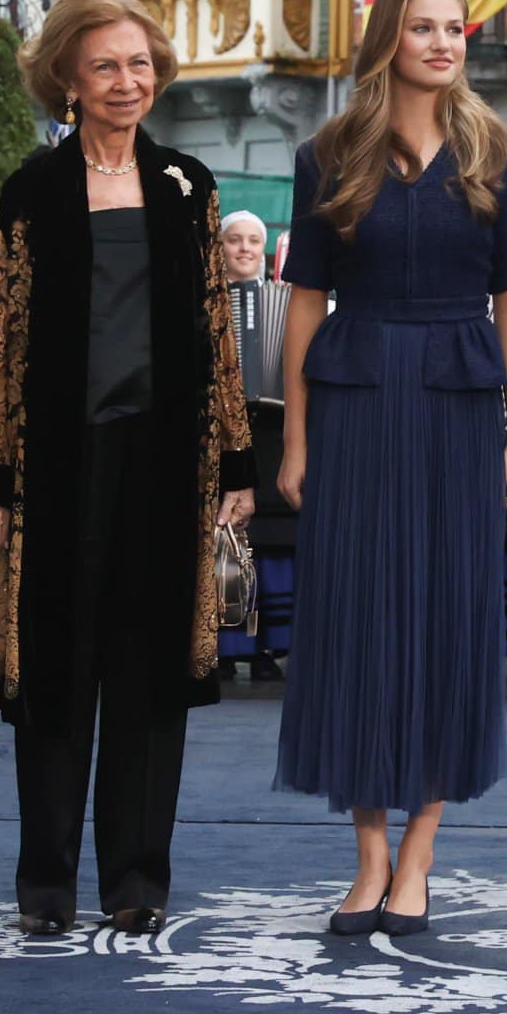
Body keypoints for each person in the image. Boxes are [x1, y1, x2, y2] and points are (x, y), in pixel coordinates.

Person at [0, 0, 257, 937]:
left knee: (148, 672)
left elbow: (216, 332)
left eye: (140, 64)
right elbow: (0, 335)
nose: (128, 82)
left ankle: (137, 880)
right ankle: (46, 885)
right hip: (56, 463)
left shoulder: (187, 185)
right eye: (105, 67)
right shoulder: (33, 190)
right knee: (55, 669)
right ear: (68, 82)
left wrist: (236, 464)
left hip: (165, 463)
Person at [274, 0, 507, 936]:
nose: (442, 43)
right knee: (355, 620)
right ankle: (369, 857)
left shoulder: (496, 153)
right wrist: (294, 435)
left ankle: (420, 853)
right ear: (388, 38)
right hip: (354, 400)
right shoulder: (326, 154)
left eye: (454, 28)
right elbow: (305, 301)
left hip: (459, 406)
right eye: (423, 27)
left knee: (446, 620)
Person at [215, 210, 294, 682]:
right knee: (227, 540)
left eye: (252, 241)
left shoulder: (286, 301)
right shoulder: (204, 302)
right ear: (220, 247)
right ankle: (225, 647)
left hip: (273, 435)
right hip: (222, 437)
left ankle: (267, 645)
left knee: (273, 541)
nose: (244, 248)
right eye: (234, 240)